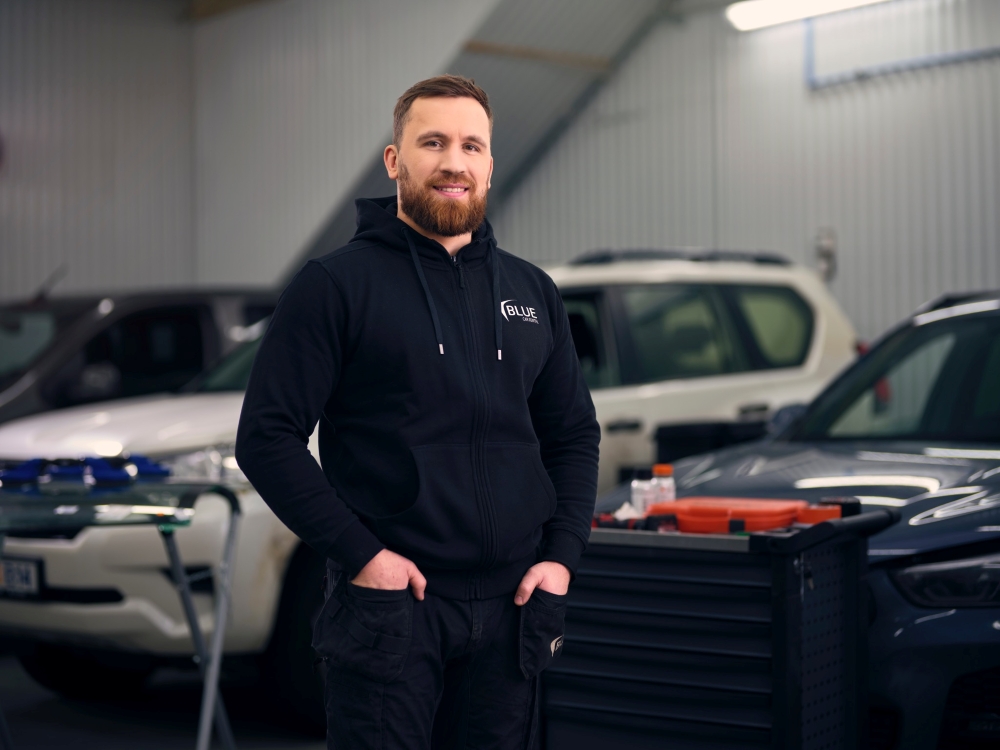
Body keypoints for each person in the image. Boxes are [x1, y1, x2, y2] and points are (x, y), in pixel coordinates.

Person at [236, 74, 600, 749]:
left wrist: (562, 558)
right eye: (432, 142)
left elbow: (572, 432)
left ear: (490, 162)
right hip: (392, 610)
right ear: (395, 160)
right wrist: (363, 555)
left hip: (514, 607)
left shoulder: (532, 291)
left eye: (471, 145)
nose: (454, 162)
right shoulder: (335, 286)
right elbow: (266, 438)